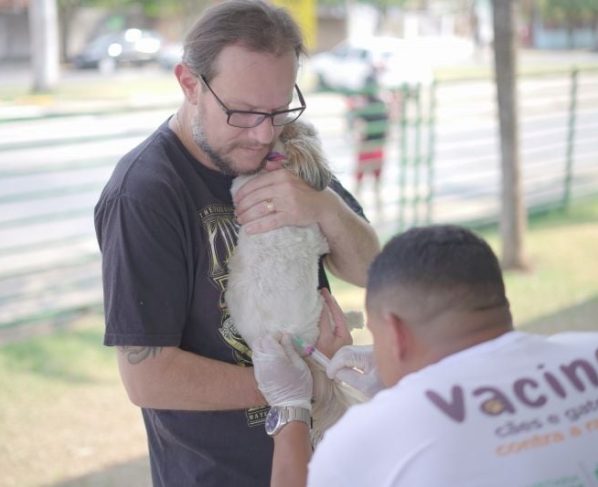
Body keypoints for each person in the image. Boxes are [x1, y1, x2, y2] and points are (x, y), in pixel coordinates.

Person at [93, 1, 380, 485]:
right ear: (189, 84)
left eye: (279, 108)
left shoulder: (287, 148)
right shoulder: (144, 194)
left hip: (328, 462)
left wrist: (324, 207)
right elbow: (148, 377)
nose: (264, 133)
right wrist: (299, 388)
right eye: (244, 112)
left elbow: (377, 272)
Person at [253, 224, 598, 486]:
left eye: (374, 330)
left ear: (396, 331)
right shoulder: (588, 349)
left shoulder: (373, 435)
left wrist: (289, 410)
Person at [350, 70, 389, 216]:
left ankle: (356, 212)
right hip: (378, 148)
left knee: (359, 184)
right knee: (377, 185)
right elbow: (388, 130)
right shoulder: (382, 105)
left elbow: (358, 129)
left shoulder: (363, 108)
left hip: (365, 149)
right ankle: (380, 213)